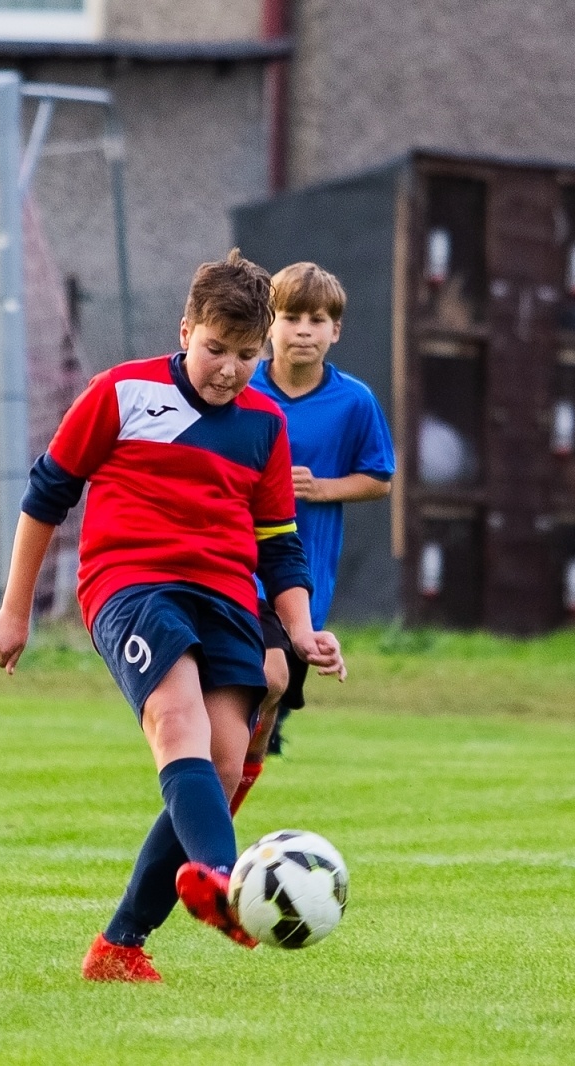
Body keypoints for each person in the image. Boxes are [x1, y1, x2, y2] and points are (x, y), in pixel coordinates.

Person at [0, 251, 344, 982]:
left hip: (227, 597)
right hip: (131, 585)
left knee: (223, 761)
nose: (229, 370)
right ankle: (223, 880)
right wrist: (14, 611)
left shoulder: (266, 425)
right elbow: (46, 497)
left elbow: (279, 544)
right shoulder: (121, 393)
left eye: (246, 356)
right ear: (185, 331)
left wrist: (302, 629)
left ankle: (120, 946)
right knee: (177, 722)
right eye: (215, 349)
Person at [230, 262, 394, 816]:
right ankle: (210, 794)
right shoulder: (241, 387)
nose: (303, 330)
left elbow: (378, 478)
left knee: (269, 698)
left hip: (302, 580)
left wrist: (321, 488)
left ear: (335, 330)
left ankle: (236, 776)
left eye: (316, 319)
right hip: (237, 569)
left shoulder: (354, 402)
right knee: (262, 678)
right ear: (268, 325)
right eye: (290, 317)